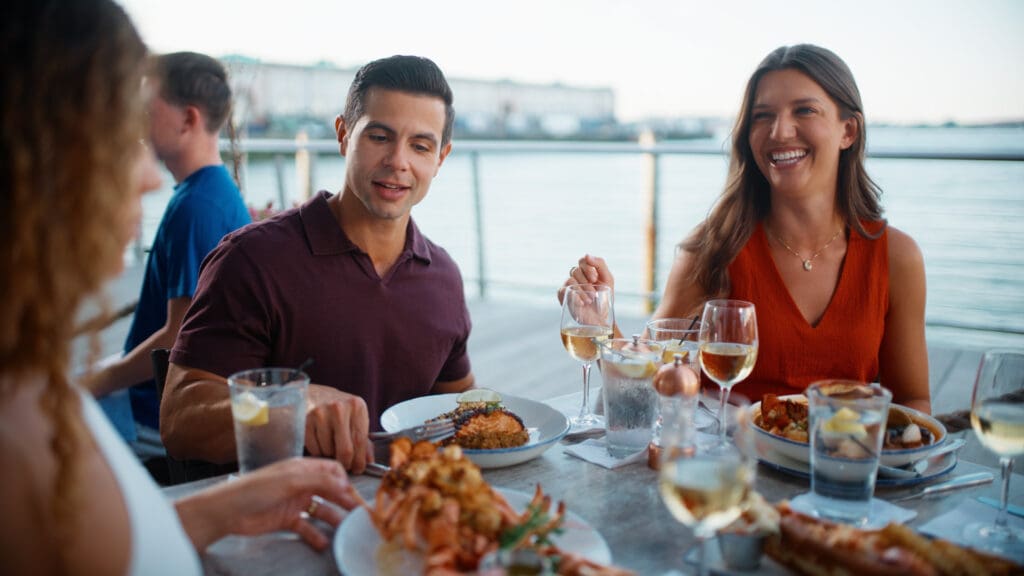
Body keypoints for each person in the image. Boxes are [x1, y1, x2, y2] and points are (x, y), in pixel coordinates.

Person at [0, 2, 359, 574]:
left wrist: (219, 509)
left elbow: (109, 548)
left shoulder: (30, 396)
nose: (144, 173)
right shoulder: (19, 447)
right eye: (118, 131)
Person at [561, 44, 930, 414]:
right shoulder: (713, 249)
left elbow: (913, 403)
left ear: (848, 131)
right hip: (731, 467)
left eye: (804, 110)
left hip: (844, 464)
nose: (780, 131)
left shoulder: (897, 257)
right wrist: (601, 325)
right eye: (762, 116)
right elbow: (640, 389)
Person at [161, 55, 475, 474]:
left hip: (402, 520)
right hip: (277, 520)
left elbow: (460, 410)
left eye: (420, 146)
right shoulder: (252, 259)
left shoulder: (444, 278)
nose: (399, 161)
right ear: (344, 135)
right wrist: (289, 410)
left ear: (441, 158)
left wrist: (590, 329)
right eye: (379, 136)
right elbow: (180, 419)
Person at [89, 51, 252, 458]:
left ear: (188, 119)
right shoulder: (213, 194)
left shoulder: (198, 208)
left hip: (151, 410)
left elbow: (177, 337)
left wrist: (102, 379)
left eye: (147, 108)